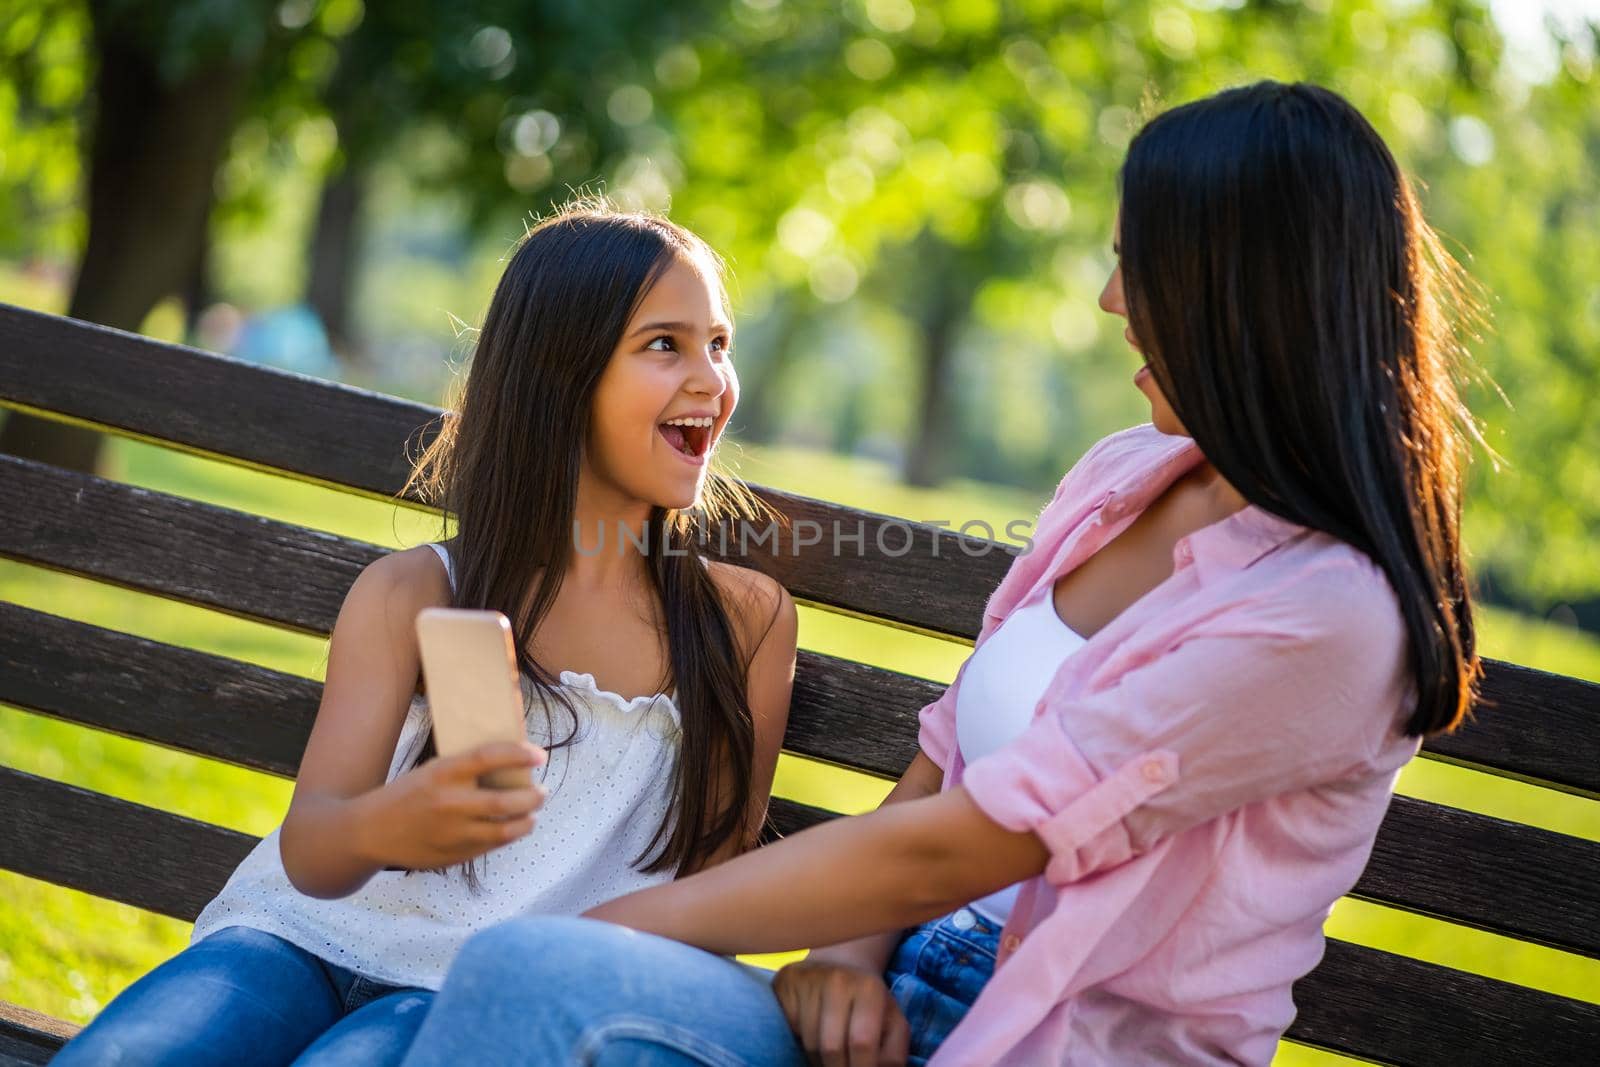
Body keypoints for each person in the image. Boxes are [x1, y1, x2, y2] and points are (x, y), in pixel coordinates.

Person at [394, 81, 1483, 1067]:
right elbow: (949, 751)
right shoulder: (1125, 476)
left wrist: (592, 932)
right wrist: (846, 958)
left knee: (533, 976)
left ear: (1252, 299)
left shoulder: (1328, 613)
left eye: (1141, 268)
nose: (1111, 300)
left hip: (1046, 1039)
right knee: (520, 987)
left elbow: (961, 843)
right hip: (886, 995)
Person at [52, 202, 798, 1067]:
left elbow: (710, 904)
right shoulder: (416, 592)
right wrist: (389, 827)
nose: (712, 378)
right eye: (664, 344)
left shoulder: (741, 625)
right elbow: (314, 850)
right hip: (298, 940)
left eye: (719, 341)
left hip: (475, 994)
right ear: (560, 374)